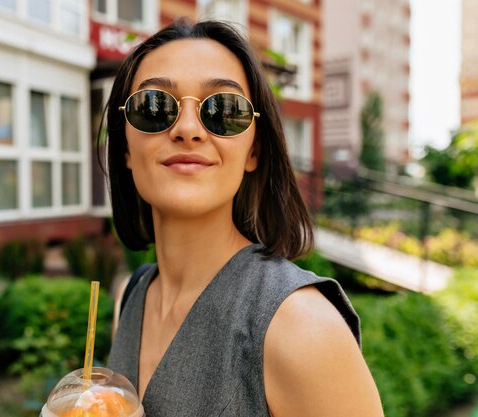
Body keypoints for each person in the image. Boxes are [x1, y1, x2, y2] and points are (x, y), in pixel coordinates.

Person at [105, 20, 384, 417]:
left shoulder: (302, 328)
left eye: (224, 109)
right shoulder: (129, 297)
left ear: (254, 151)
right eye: (155, 106)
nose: (187, 129)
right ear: (127, 148)